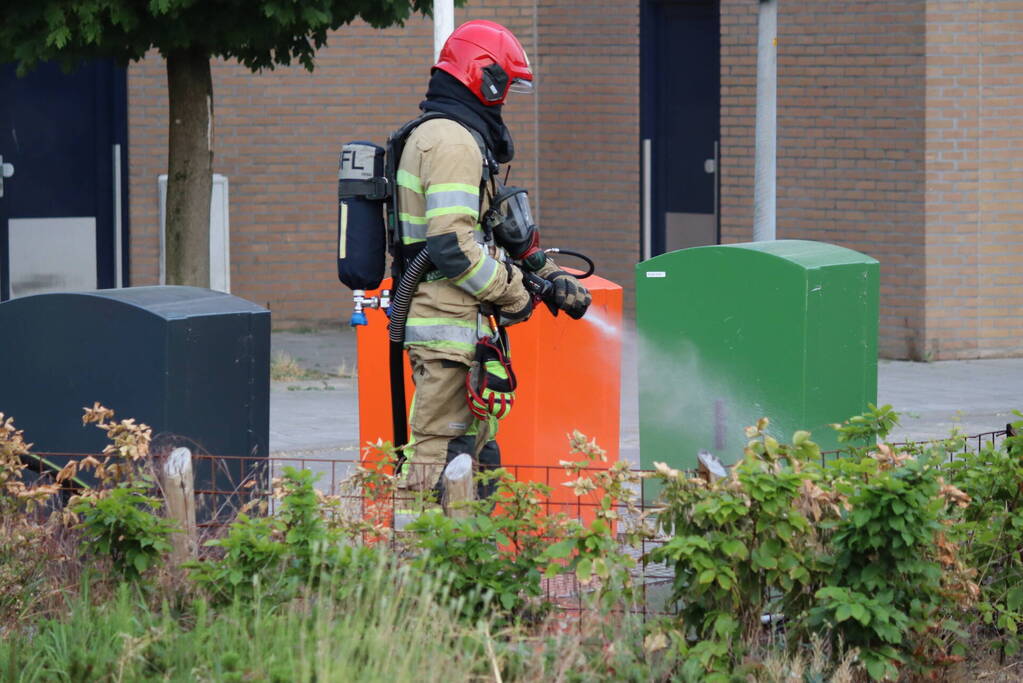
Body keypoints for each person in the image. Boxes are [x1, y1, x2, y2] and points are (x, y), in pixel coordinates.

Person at [394, 19, 591, 496]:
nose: (504, 99)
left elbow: (490, 228)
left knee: (474, 460)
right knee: (438, 455)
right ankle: (414, 560)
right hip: (447, 324)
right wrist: (514, 292)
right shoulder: (452, 142)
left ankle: (466, 562)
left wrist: (544, 273)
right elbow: (452, 244)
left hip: (462, 325)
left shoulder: (456, 135)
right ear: (482, 75)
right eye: (504, 84)